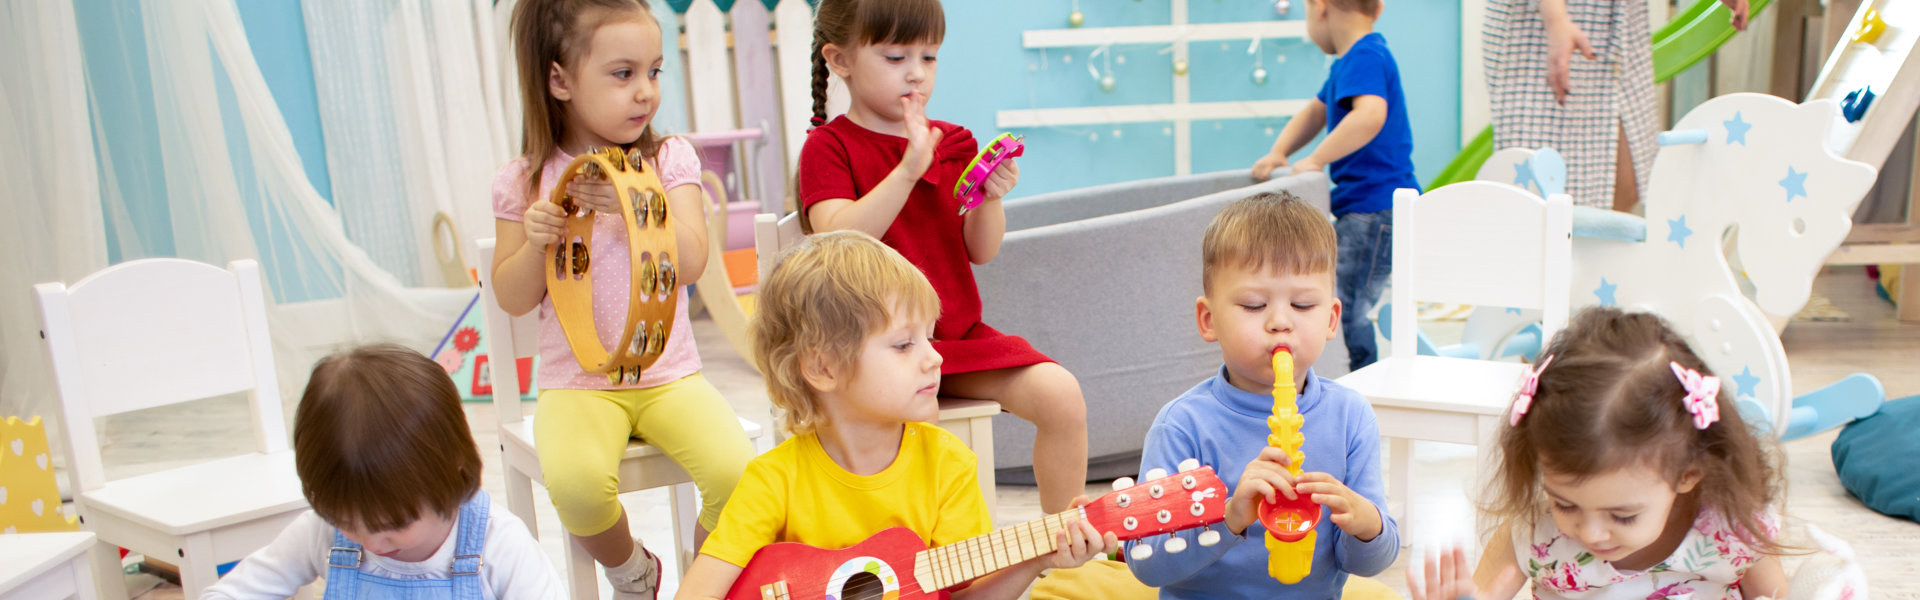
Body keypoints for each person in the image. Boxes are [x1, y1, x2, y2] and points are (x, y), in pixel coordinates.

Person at [674, 231, 1115, 600]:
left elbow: (967, 596)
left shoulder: (947, 466)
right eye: (904, 345)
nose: (934, 358)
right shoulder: (772, 481)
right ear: (823, 368)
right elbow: (701, 588)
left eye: (929, 338)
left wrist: (1038, 554)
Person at [490, 1, 755, 596]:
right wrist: (536, 244)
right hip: (578, 384)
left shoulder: (667, 159)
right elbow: (511, 297)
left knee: (739, 472)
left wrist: (640, 207)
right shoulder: (524, 179)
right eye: (623, 73)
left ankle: (703, 578)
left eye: (655, 72)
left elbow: (690, 260)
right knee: (578, 486)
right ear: (559, 79)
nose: (646, 93)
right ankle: (632, 570)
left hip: (670, 374)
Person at [796, 0, 1090, 512]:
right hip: (876, 350)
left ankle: (1063, 549)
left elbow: (982, 250)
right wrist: (907, 170)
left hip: (957, 337)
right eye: (894, 57)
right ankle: (930, 562)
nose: (916, 73)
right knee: (919, 426)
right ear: (840, 60)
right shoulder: (828, 148)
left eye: (929, 57)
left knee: (1061, 395)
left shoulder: (952, 142)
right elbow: (837, 239)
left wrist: (991, 197)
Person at [1407, 307, 1789, 599]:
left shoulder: (1734, 530)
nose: (1589, 532)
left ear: (1688, 473)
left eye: (1623, 515)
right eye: (1565, 504)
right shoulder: (1534, 534)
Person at [1126, 192, 1399, 599]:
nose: (1280, 322)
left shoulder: (1351, 415)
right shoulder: (1182, 424)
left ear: (1331, 319)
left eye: (1303, 304)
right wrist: (1231, 517)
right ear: (1208, 319)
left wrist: (1363, 523)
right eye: (1254, 305)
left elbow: (1372, 561)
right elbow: (1147, 564)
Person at [203, 345, 563, 600]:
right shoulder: (324, 534)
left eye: (393, 525)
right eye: (347, 521)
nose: (372, 543)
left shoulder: (498, 545)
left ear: (451, 471)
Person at [1248, 0, 1416, 372]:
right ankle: (1353, 378)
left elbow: (1371, 115)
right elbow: (1314, 113)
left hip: (1375, 208)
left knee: (1345, 305)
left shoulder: (1366, 55)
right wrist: (1280, 151)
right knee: (1336, 298)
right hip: (1364, 208)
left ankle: (1362, 382)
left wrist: (1316, 159)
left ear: (1319, 7)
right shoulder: (1350, 62)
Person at [1483, 0, 1748, 211]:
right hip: (1547, 26)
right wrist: (1555, 19)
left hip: (1620, 25)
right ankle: (1567, 273)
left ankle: (1598, 273)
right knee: (1543, 190)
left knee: (1630, 178)